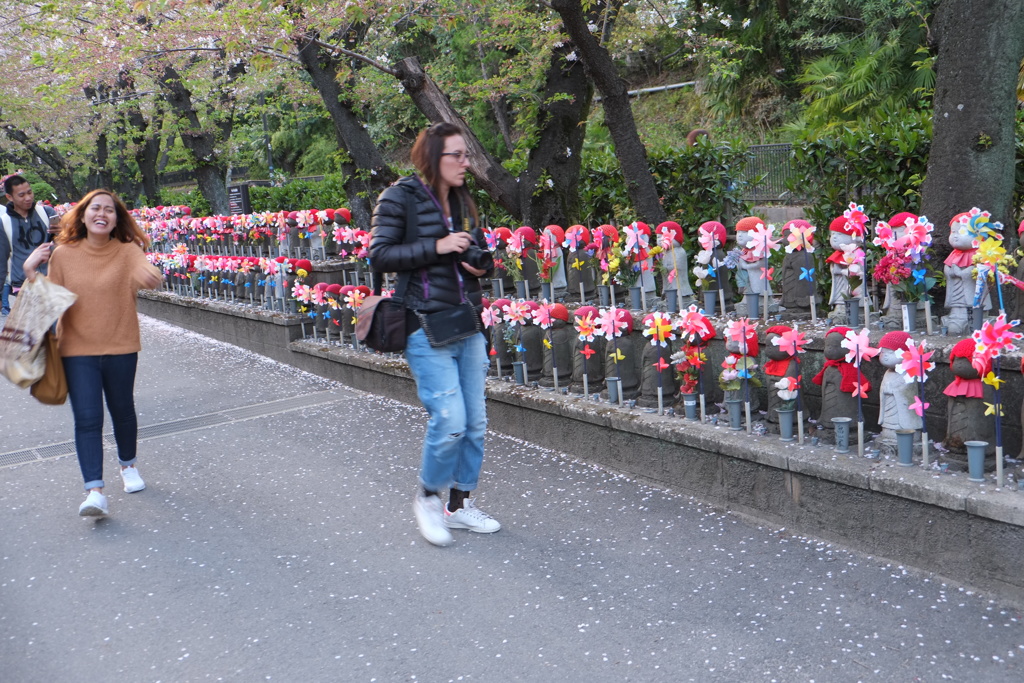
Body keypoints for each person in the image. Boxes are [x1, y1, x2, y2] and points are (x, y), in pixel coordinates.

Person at [369, 122, 498, 546]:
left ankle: (459, 506)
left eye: (467, 155)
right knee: (451, 420)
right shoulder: (399, 197)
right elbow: (380, 254)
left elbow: (474, 252)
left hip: (467, 323)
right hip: (423, 325)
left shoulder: (460, 201)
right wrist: (438, 248)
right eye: (457, 156)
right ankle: (428, 497)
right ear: (433, 157)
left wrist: (480, 262)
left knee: (475, 423)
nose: (466, 163)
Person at [22, 189, 162, 517]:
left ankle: (128, 466)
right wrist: (31, 273)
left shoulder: (128, 252)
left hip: (121, 346)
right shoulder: (64, 254)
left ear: (117, 219)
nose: (102, 214)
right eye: (95, 208)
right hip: (76, 349)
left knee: (123, 410)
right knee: (87, 418)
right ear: (83, 215)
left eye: (109, 210)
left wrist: (151, 276)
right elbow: (49, 302)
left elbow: (148, 273)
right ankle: (94, 491)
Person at [1, 174, 57, 313]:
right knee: (33, 331)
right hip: (23, 285)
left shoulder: (47, 212)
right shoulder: (3, 222)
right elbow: (1, 260)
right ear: (9, 197)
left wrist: (63, 233)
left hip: (53, 280)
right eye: (21, 195)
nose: (28, 198)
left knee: (57, 330)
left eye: (29, 192)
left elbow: (65, 246)